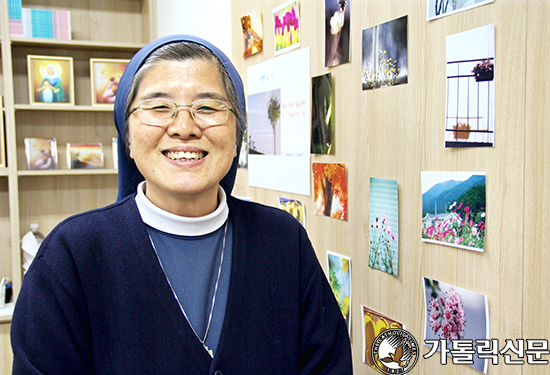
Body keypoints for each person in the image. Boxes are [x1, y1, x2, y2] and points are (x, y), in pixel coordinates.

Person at [11, 35, 353, 374]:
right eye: (160, 107)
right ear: (127, 138)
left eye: (206, 107)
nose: (184, 127)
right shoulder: (72, 254)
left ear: (238, 136)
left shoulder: (283, 239)